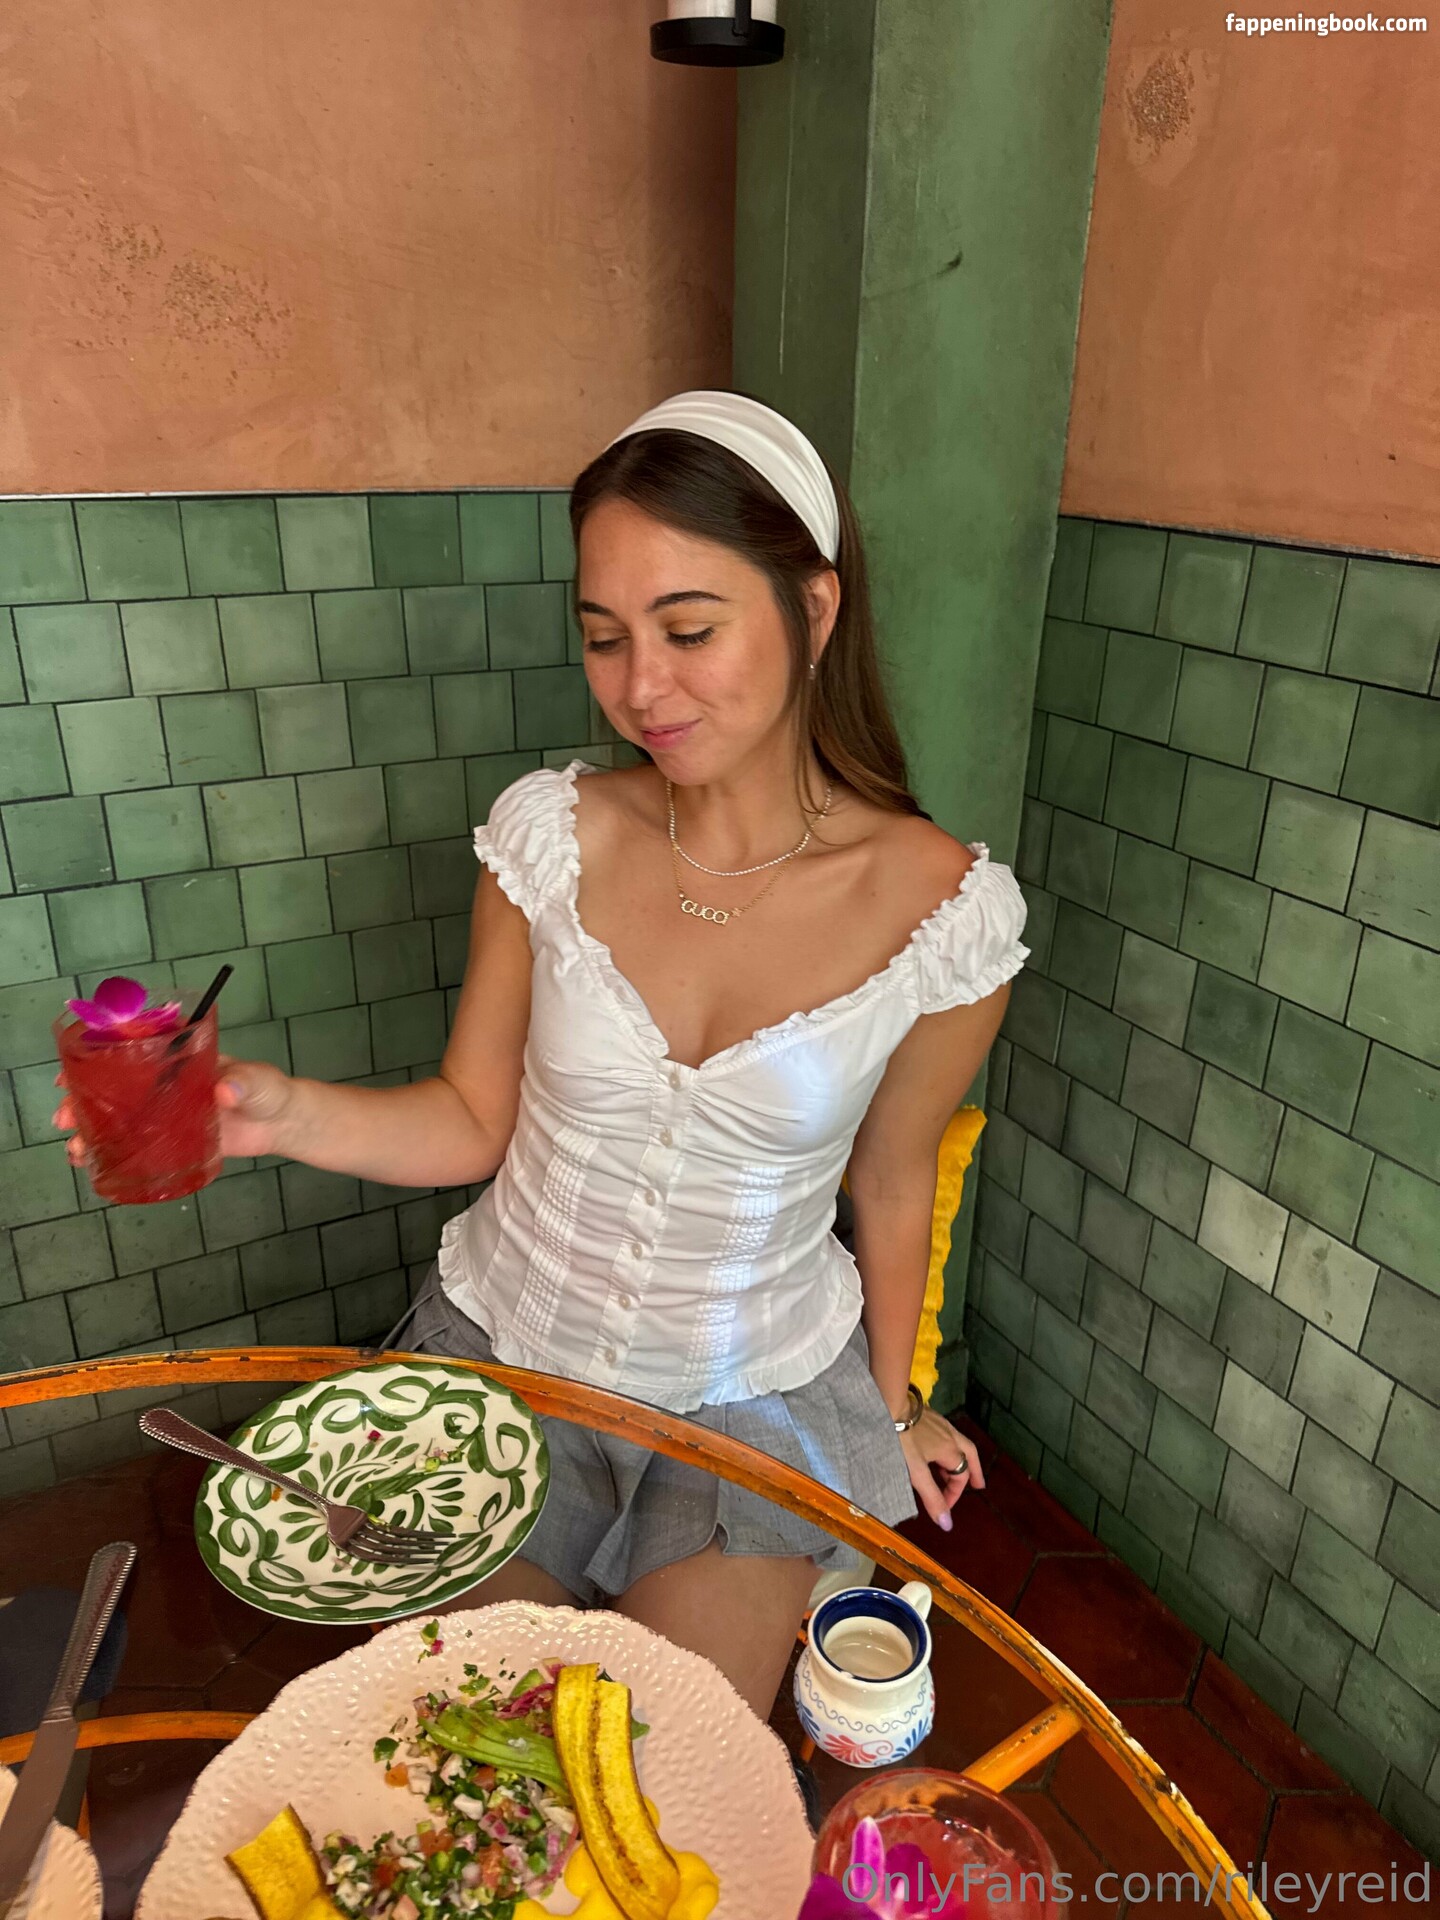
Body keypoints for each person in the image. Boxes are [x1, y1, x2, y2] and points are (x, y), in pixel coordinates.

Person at [59, 391, 1028, 1719]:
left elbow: (895, 1177)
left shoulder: (946, 913)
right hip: (505, 1361)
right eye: (604, 637)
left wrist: (897, 1405)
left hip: (757, 1395)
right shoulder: (551, 836)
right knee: (482, 1739)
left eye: (689, 630)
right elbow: (473, 1117)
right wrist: (274, 1114)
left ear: (814, 610)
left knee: (656, 1748)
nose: (641, 688)